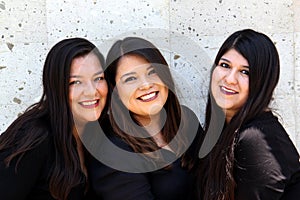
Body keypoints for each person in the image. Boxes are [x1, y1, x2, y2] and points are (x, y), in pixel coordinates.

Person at [85, 37, 203, 200]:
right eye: (130, 79)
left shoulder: (186, 121)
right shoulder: (113, 150)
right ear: (116, 92)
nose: (146, 84)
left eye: (152, 71)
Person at [195, 29, 300, 200]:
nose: (230, 79)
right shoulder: (225, 132)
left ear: (262, 82)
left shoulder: (256, 140)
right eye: (225, 65)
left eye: (245, 72)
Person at [0, 37, 108, 200]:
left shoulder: (96, 133)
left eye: (98, 78)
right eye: (76, 82)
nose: (92, 91)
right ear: (56, 87)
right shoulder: (34, 137)